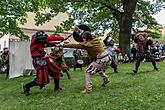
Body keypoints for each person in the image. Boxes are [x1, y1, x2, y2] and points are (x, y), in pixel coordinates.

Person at [62, 27, 111, 93]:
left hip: (101, 59)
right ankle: (106, 79)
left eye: (83, 38)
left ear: (87, 38)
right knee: (98, 69)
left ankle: (88, 89)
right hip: (107, 58)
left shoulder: (88, 44)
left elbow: (74, 45)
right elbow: (89, 35)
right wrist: (79, 31)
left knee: (88, 71)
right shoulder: (95, 39)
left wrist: (63, 45)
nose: (82, 39)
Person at [22, 31, 65, 96]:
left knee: (56, 72)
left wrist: (56, 43)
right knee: (42, 79)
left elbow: (48, 44)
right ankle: (26, 86)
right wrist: (61, 38)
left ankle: (57, 88)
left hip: (44, 59)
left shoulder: (39, 42)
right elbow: (49, 39)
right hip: (39, 61)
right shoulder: (35, 40)